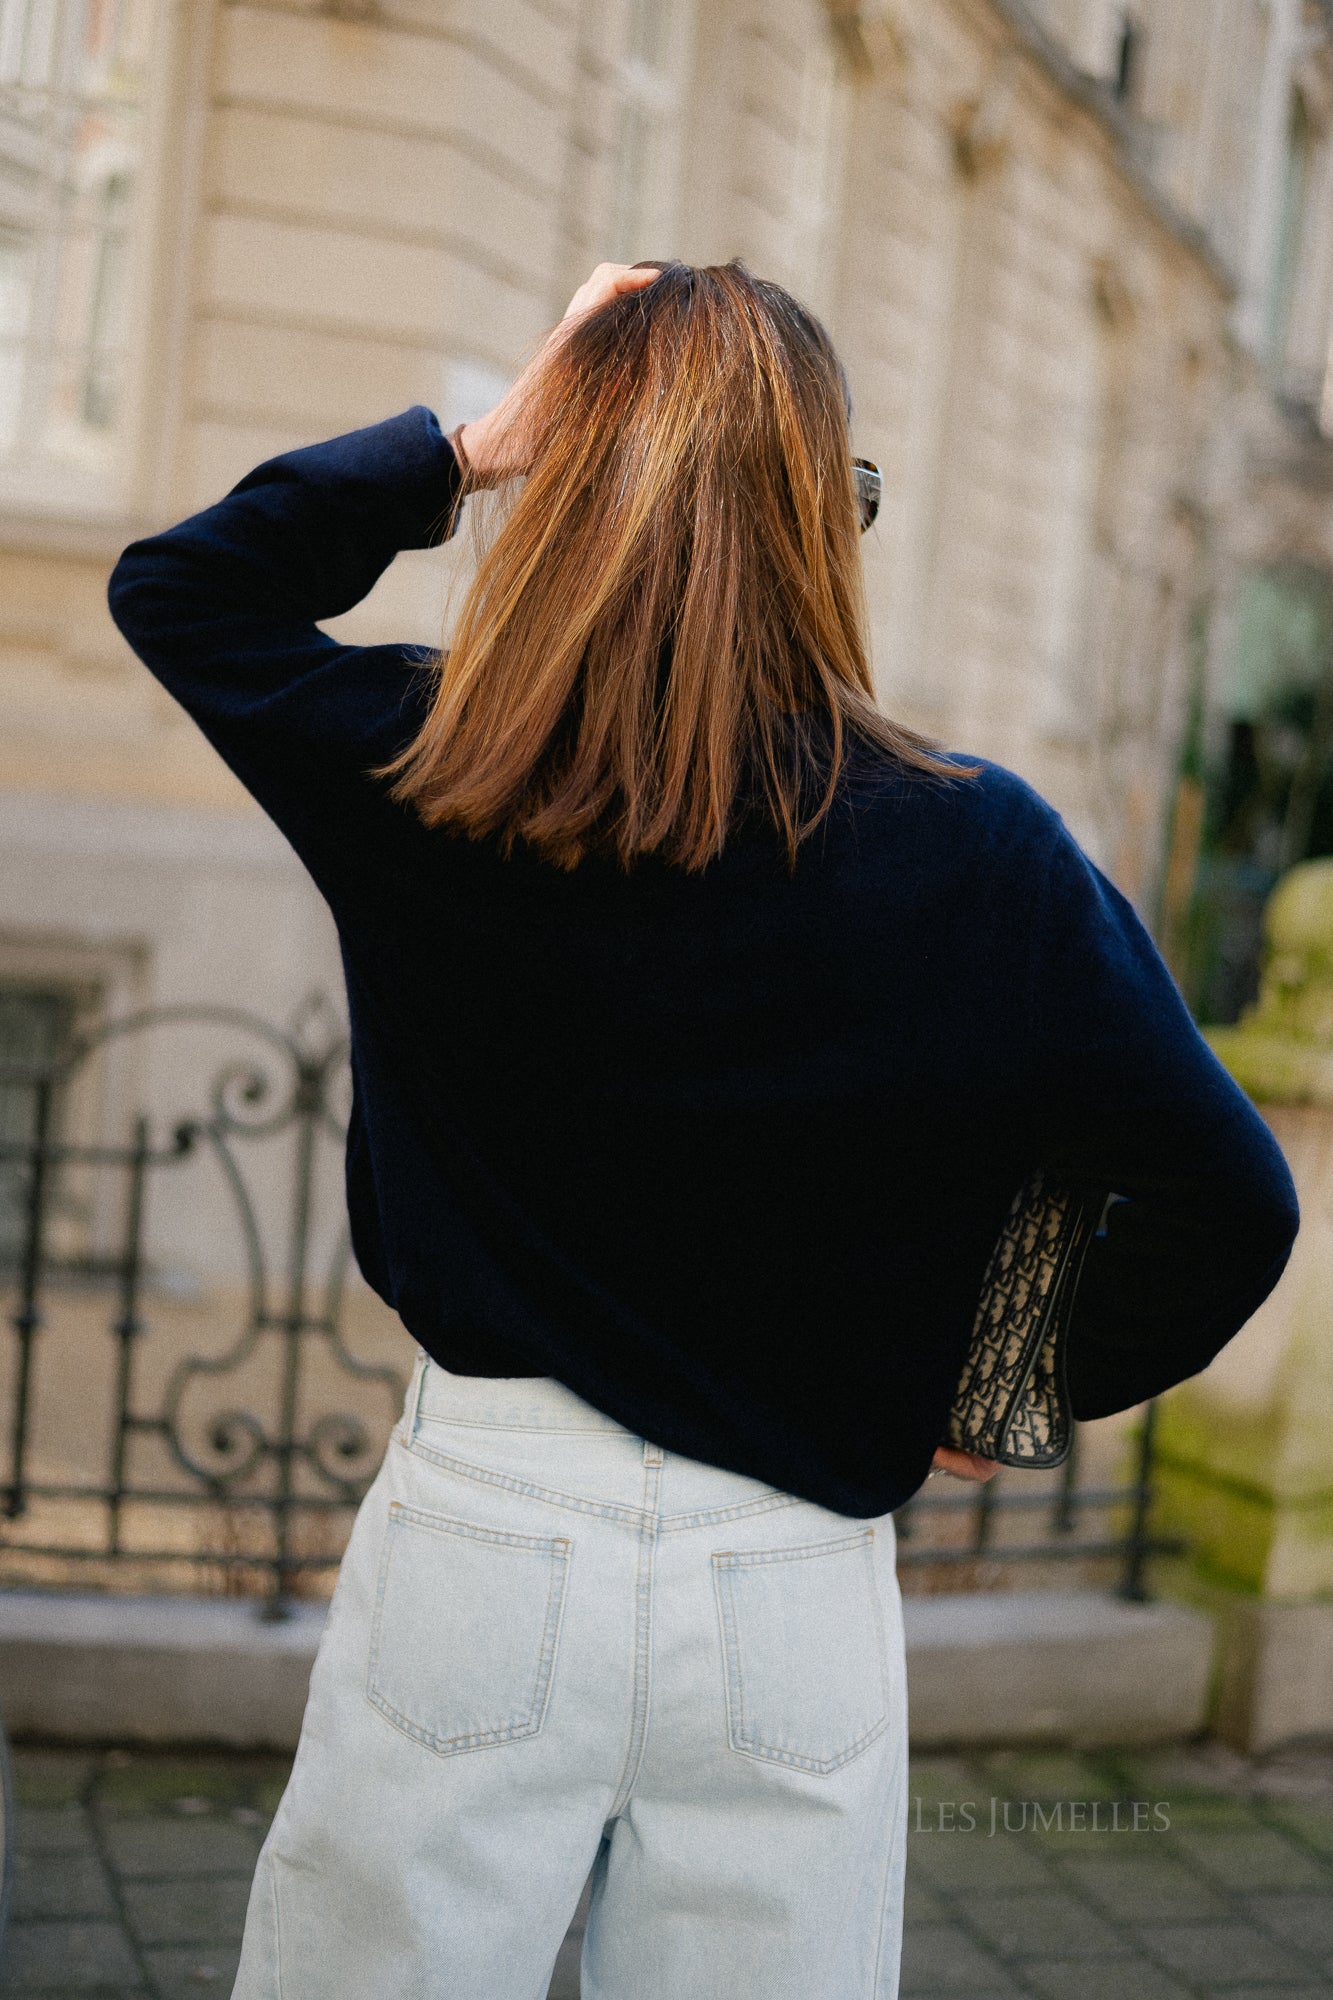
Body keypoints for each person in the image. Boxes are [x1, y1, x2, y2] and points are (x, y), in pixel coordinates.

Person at [107, 259, 1298, 2000]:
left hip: (486, 1535)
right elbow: (1229, 1200)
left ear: (574, 487)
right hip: (789, 1573)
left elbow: (190, 590)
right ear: (825, 523)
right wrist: (1011, 1386)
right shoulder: (987, 851)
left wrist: (481, 444)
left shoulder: (436, 766)